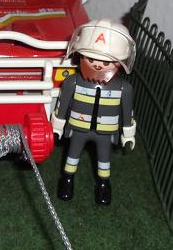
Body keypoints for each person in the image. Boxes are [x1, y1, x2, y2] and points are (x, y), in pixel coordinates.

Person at [52, 19, 137, 205]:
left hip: (105, 132)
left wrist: (128, 133)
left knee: (104, 160)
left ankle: (104, 184)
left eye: (106, 61)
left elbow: (127, 113)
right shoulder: (72, 82)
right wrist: (57, 126)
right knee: (72, 156)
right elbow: (62, 106)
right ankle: (67, 180)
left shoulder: (124, 88)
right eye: (90, 59)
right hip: (78, 129)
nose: (98, 65)